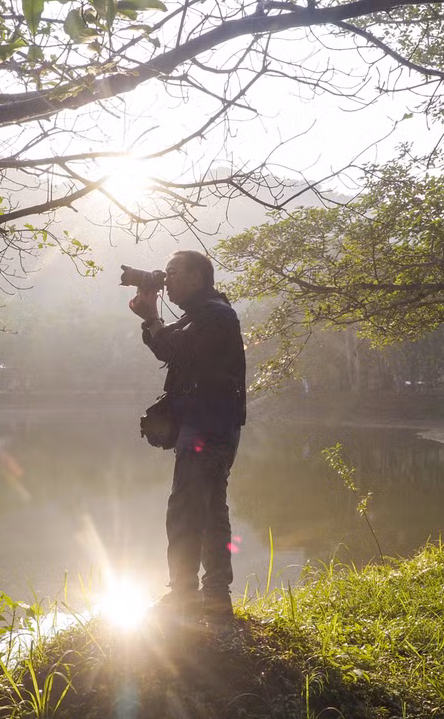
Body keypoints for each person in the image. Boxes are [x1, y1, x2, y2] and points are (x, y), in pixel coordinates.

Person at [128, 250, 246, 624]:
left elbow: (180, 349)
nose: (167, 279)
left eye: (175, 272)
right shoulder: (202, 314)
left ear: (198, 276)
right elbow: (168, 347)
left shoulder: (216, 315)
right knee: (210, 510)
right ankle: (213, 598)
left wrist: (153, 317)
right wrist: (151, 320)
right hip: (209, 425)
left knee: (186, 510)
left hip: (209, 427)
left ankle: (185, 596)